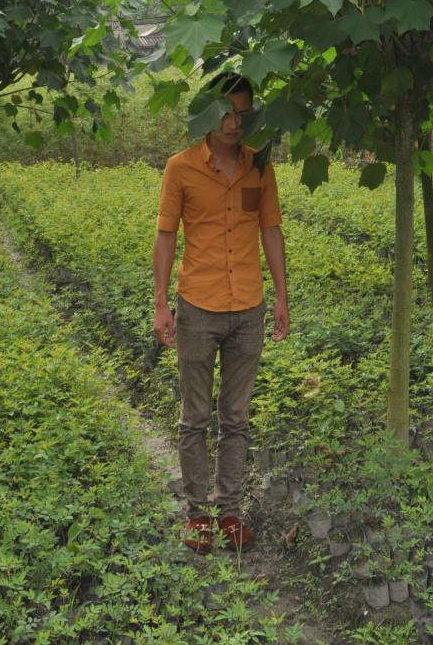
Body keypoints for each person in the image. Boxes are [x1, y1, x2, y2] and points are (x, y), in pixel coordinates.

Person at [152, 74, 289, 554]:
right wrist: (160, 303)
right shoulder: (181, 168)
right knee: (195, 418)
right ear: (210, 114)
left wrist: (282, 299)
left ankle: (230, 513)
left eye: (243, 114)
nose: (234, 124)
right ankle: (196, 516)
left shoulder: (260, 167)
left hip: (248, 308)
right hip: (197, 308)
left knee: (236, 418)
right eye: (226, 114)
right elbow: (166, 235)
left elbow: (270, 230)